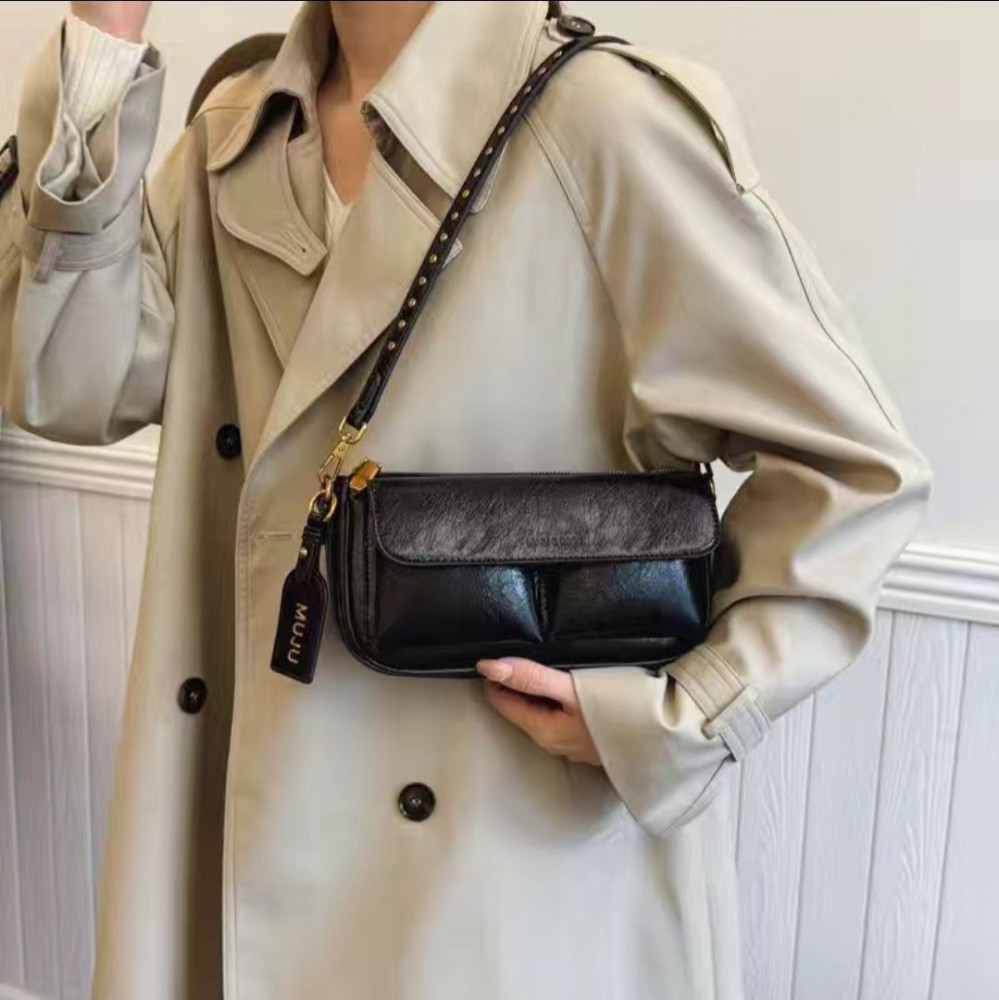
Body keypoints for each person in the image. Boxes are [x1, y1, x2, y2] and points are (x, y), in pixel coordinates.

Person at [0, 1, 933, 998]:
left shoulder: (603, 123)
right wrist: (102, 39)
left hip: (503, 868)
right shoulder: (236, 132)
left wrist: (677, 716)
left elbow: (853, 467)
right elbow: (67, 381)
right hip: (241, 828)